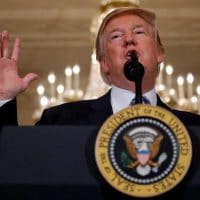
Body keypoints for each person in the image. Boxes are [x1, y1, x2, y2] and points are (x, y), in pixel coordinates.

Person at [0, 7, 200, 199]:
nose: (129, 40)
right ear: (103, 63)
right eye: (116, 36)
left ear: (159, 53)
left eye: (139, 32)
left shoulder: (194, 128)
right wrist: (4, 98)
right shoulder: (61, 121)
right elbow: (13, 169)